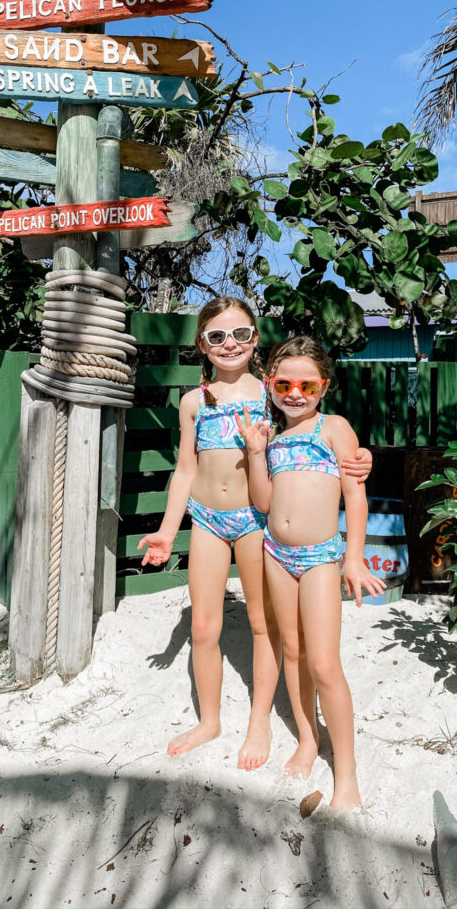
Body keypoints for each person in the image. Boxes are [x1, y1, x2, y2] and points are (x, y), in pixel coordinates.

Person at [138, 298, 372, 770]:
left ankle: (260, 719)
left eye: (241, 334)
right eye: (217, 336)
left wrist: (364, 458)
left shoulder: (272, 396)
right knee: (204, 626)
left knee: (265, 626)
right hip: (206, 518)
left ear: (255, 338)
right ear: (201, 343)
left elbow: (317, 432)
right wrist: (166, 531)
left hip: (254, 521)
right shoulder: (193, 402)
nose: (230, 345)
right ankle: (210, 720)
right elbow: (185, 471)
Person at [237, 336, 384, 807]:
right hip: (276, 554)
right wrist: (256, 453)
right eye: (284, 383)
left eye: (307, 384)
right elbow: (263, 503)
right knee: (293, 651)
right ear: (269, 383)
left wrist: (355, 558)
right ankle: (307, 737)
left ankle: (348, 775)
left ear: (324, 385)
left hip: (320, 557)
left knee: (324, 663)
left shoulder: (334, 428)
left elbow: (355, 495)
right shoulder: (274, 438)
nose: (295, 393)